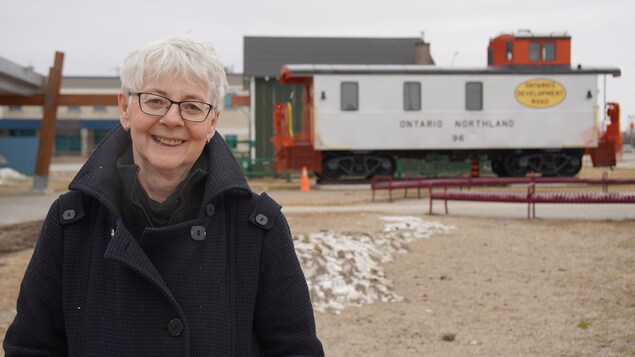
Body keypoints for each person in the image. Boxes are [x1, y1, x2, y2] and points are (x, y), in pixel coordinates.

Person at [3, 34, 324, 356]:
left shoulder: (257, 228)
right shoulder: (71, 222)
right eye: (155, 100)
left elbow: (295, 350)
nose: (172, 119)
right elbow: (32, 348)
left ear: (212, 122)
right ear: (125, 109)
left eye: (192, 106)